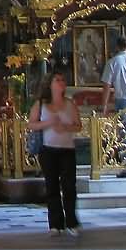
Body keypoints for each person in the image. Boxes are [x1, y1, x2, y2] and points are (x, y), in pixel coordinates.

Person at [28, 71, 81, 237]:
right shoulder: (41, 104)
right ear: (50, 84)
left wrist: (66, 127)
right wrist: (48, 123)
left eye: (62, 79)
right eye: (57, 80)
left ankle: (71, 222)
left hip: (67, 150)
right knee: (52, 187)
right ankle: (55, 224)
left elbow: (78, 126)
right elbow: (31, 124)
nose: (60, 82)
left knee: (69, 187)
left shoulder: (70, 104)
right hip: (48, 150)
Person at [101, 35, 126, 176]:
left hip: (123, 100)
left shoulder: (113, 62)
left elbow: (107, 86)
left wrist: (104, 107)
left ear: (117, 47)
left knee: (124, 133)